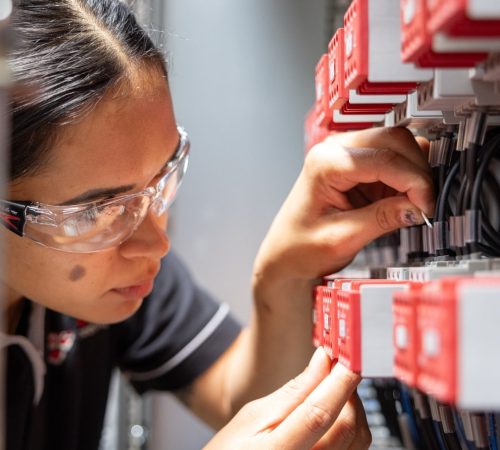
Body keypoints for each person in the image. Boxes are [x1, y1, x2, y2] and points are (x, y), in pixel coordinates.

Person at [0, 1, 434, 449]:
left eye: (162, 176)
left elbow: (240, 396)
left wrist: (284, 273)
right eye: (97, 211)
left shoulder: (115, 270)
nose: (156, 243)